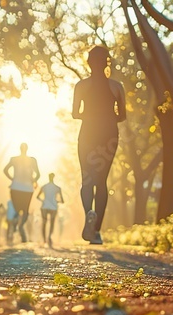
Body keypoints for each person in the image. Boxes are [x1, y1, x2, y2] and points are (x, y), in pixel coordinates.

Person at [72, 45, 126, 245]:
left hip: (87, 133)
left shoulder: (81, 86)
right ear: (107, 63)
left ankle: (89, 214)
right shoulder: (116, 87)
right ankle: (96, 232)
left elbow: (75, 113)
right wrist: (107, 117)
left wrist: (92, 115)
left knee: (87, 178)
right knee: (101, 181)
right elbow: (122, 116)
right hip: (109, 135)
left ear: (88, 63)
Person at [3, 143, 40, 243]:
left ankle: (15, 224)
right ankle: (21, 226)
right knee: (25, 210)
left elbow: (5, 170)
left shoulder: (14, 159)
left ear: (19, 149)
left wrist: (12, 178)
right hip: (28, 188)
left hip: (15, 186)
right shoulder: (32, 160)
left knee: (16, 208)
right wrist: (33, 180)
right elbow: (38, 174)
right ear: (27, 149)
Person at [36, 173, 64, 247]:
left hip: (45, 206)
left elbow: (37, 196)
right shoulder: (57, 188)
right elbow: (62, 200)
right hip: (53, 207)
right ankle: (49, 238)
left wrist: (43, 201)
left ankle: (44, 239)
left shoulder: (44, 187)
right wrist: (57, 201)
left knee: (44, 223)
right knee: (52, 223)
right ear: (53, 178)